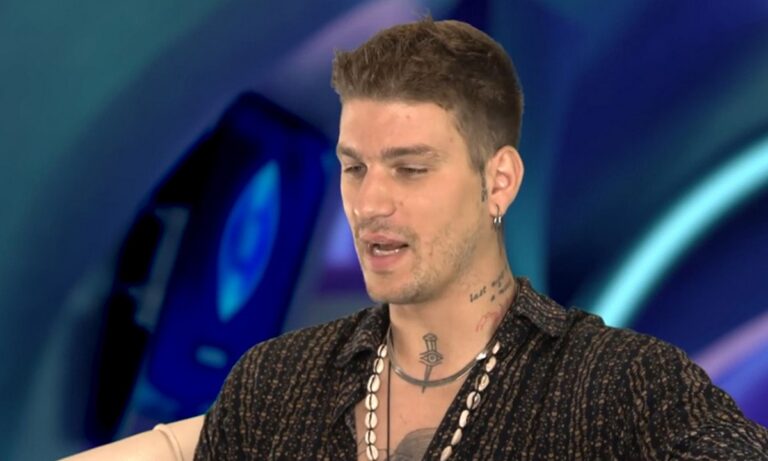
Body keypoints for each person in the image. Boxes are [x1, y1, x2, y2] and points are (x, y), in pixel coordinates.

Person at [65, 17, 768, 461]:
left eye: (410, 169)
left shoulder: (631, 386)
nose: (374, 204)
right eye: (358, 169)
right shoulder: (282, 381)